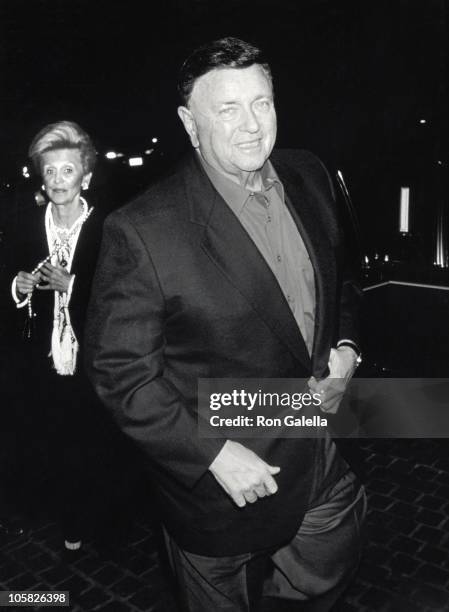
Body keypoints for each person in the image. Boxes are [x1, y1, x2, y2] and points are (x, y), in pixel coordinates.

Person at [85, 37, 366, 611]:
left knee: (333, 563)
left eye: (261, 103)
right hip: (227, 481)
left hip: (319, 456)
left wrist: (347, 345)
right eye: (227, 109)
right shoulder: (143, 230)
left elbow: (344, 277)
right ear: (190, 124)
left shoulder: (308, 174)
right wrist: (210, 453)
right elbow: (120, 373)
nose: (251, 125)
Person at [7, 121, 105, 550]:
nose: (59, 180)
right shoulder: (25, 223)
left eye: (68, 171)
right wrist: (17, 285)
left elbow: (123, 294)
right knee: (44, 437)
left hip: (91, 360)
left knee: (86, 444)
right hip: (39, 357)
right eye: (51, 172)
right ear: (41, 178)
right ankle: (49, 507)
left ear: (85, 177)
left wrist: (73, 286)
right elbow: (6, 272)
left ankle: (81, 521)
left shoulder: (109, 227)